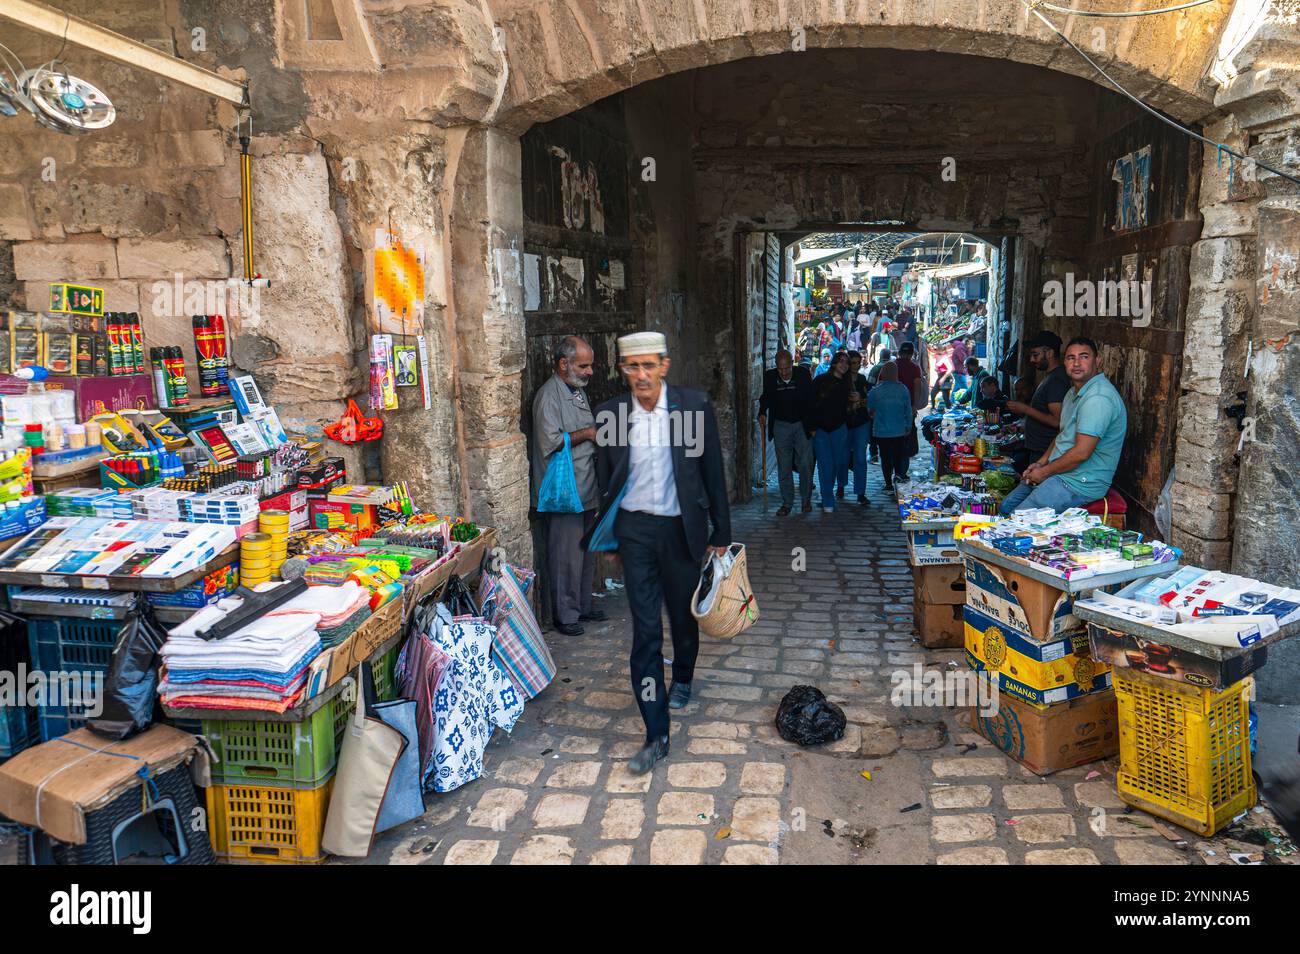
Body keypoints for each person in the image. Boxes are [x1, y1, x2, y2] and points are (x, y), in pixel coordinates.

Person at [582, 332, 731, 775]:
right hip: (636, 533)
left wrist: (721, 530)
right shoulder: (611, 415)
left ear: (664, 365)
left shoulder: (692, 407)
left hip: (681, 529)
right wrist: (609, 542)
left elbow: (712, 472)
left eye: (649, 365)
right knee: (645, 632)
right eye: (632, 367)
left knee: (682, 618)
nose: (641, 375)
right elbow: (607, 481)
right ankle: (656, 732)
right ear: (623, 370)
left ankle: (683, 674)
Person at [998, 337, 1128, 515]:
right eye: (1070, 358)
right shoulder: (1072, 393)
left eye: (1084, 357)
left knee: (1017, 520)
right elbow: (1063, 435)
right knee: (1005, 508)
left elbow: (1082, 453)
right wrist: (1040, 463)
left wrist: (1044, 473)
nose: (1076, 363)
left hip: (1079, 481)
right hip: (1059, 472)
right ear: (1064, 362)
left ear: (1097, 361)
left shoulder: (1098, 398)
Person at [530, 336, 603, 636]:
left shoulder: (575, 391)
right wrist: (587, 433)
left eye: (590, 366)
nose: (589, 372)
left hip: (585, 486)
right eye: (583, 366)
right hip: (564, 491)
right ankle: (565, 614)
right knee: (565, 555)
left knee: (584, 552)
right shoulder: (549, 396)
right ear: (563, 364)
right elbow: (551, 441)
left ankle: (582, 606)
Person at [758, 349, 815, 516]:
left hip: (801, 424)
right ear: (776, 366)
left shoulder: (803, 374)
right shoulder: (770, 376)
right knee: (784, 465)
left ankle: (806, 501)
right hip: (781, 425)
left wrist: (812, 427)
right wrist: (762, 412)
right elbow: (766, 397)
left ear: (792, 363)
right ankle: (787, 503)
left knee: (805, 463)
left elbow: (811, 400)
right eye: (780, 369)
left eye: (786, 368)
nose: (783, 372)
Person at [1004, 330, 1070, 474]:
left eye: (1036, 355)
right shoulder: (1050, 377)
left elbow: (1058, 421)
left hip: (1044, 451)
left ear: (1050, 353)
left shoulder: (1056, 381)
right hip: (1038, 449)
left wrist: (1025, 409)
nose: (1032, 360)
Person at [810, 352, 851, 512]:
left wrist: (854, 402)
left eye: (846, 363)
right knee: (824, 464)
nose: (844, 365)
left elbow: (847, 410)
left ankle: (826, 493)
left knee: (835, 464)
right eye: (841, 361)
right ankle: (828, 499)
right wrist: (811, 427)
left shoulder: (847, 384)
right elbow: (811, 404)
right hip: (821, 429)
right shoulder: (820, 381)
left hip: (839, 428)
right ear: (834, 363)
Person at [867, 361, 913, 493]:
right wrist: (908, 426)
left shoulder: (876, 391)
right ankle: (898, 480)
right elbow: (908, 410)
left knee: (886, 458)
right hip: (899, 431)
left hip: (882, 432)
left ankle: (888, 484)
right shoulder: (903, 389)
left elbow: (870, 410)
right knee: (898, 456)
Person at [843, 351, 872, 505]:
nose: (856, 366)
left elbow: (870, 400)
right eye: (853, 363)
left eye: (858, 363)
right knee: (842, 456)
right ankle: (840, 485)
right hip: (844, 423)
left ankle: (861, 492)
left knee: (860, 458)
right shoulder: (841, 380)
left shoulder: (862, 379)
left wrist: (860, 400)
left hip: (861, 422)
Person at [865, 347, 892, 462]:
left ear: (880, 356)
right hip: (890, 404)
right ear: (889, 356)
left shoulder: (875, 368)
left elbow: (869, 387)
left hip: (877, 404)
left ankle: (874, 453)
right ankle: (886, 453)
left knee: (873, 428)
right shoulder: (893, 368)